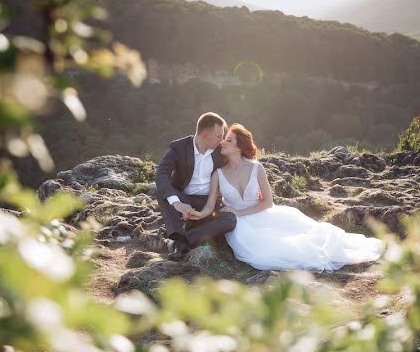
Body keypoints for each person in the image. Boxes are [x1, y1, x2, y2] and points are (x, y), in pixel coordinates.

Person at [189, 124, 385, 271]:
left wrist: (240, 211)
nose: (222, 142)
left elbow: (268, 202)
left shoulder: (257, 168)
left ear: (239, 146)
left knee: (306, 239)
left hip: (263, 214)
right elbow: (208, 207)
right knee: (263, 255)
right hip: (240, 225)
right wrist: (196, 215)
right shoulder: (218, 174)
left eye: (228, 140)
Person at [155, 112, 237, 261]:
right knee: (162, 192)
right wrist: (177, 203)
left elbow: (241, 163)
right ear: (206, 135)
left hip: (211, 202)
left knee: (230, 220)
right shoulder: (178, 148)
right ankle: (178, 239)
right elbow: (161, 174)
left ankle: (186, 239)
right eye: (219, 136)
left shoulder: (221, 151)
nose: (222, 140)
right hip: (185, 198)